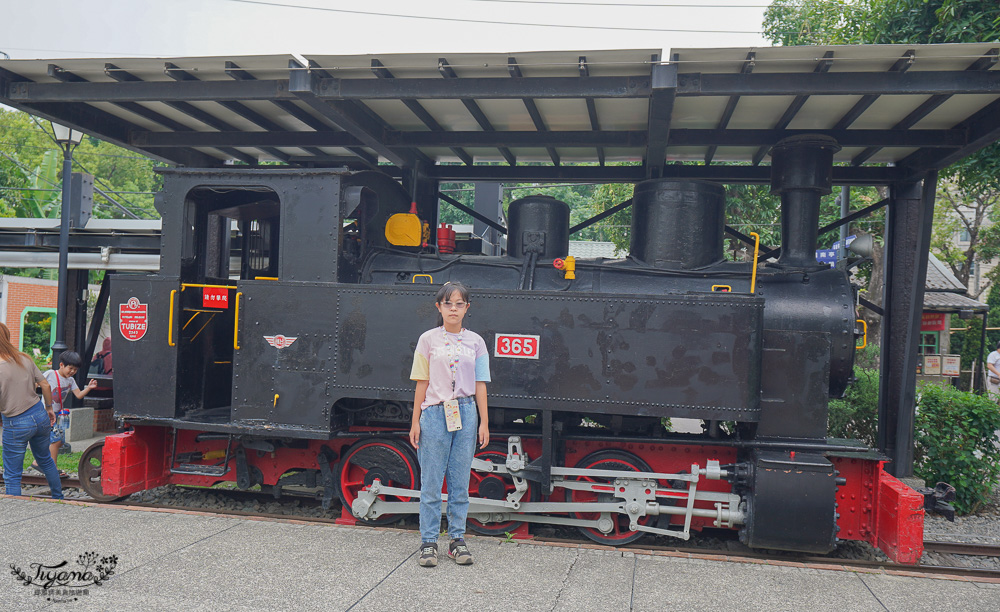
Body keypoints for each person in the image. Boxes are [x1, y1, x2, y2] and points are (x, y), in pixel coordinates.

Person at [409, 281, 491, 567]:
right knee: (431, 480)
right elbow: (422, 381)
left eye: (459, 304)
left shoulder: (477, 342)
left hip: (466, 413)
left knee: (460, 481)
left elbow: (480, 384)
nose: (453, 309)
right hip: (434, 412)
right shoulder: (427, 339)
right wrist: (415, 419)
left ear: (467, 308)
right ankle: (428, 542)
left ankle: (457, 540)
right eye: (448, 303)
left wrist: (484, 422)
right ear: (439, 307)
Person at [0, 322, 62, 498]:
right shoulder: (24, 358)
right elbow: (45, 385)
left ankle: (16, 504)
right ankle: (59, 497)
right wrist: (49, 408)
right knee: (46, 461)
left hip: (15, 422)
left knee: (12, 474)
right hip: (39, 414)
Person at [35, 350, 98, 476]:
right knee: (55, 441)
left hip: (59, 414)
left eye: (75, 369)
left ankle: (37, 463)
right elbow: (36, 384)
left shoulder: (70, 381)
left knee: (59, 441)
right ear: (61, 365)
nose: (72, 372)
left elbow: (79, 395)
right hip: (46, 413)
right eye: (70, 368)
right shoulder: (50, 374)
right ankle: (52, 469)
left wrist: (89, 388)